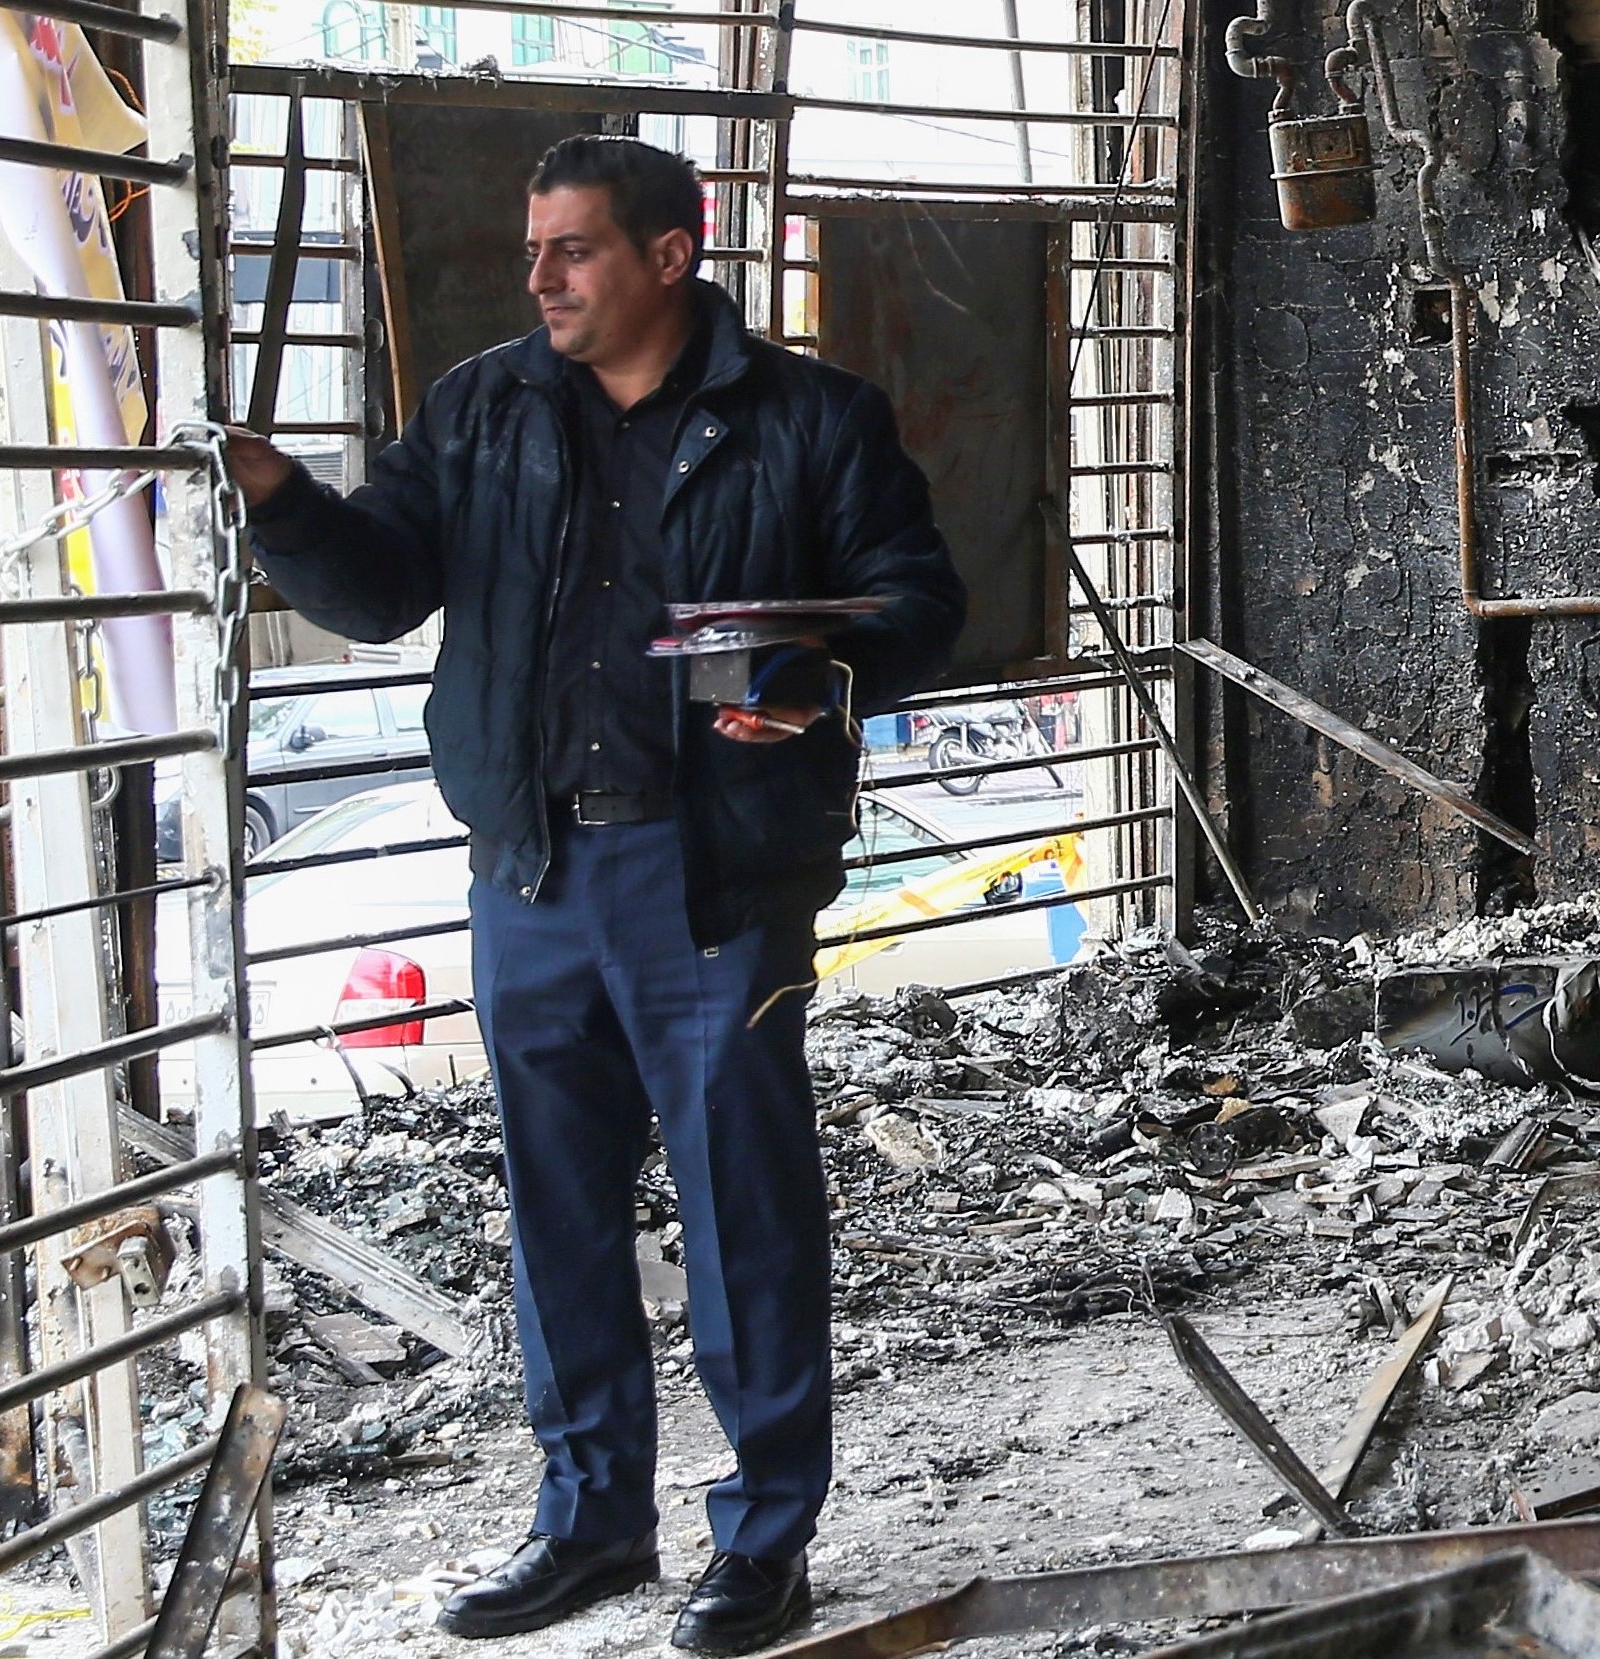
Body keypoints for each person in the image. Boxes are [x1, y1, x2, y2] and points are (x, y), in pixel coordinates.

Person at [228, 135, 966, 1652]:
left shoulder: (811, 417)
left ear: (669, 256)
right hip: (533, 866)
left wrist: (817, 672)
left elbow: (920, 603)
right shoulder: (488, 406)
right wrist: (285, 499)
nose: (541, 277)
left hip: (714, 875)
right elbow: (376, 595)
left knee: (739, 1207)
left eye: (571, 249)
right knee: (557, 1211)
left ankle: (764, 1543)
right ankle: (590, 1527)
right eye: (534, 250)